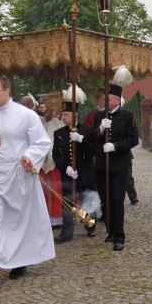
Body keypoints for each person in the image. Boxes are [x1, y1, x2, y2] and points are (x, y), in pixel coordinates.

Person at [0, 76, 54, 279]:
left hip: (18, 175)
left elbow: (41, 142)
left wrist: (29, 156)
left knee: (17, 220)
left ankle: (20, 262)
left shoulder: (26, 115)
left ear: (7, 91)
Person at [91, 67, 139, 251]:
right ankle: (110, 231)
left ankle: (119, 236)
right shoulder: (98, 116)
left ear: (117, 100)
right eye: (105, 99)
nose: (106, 102)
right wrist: (100, 130)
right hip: (102, 166)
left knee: (117, 201)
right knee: (105, 201)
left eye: (109, 100)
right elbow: (92, 138)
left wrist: (116, 146)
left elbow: (133, 139)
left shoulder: (127, 116)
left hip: (119, 166)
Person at [51, 87, 98, 243]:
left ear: (74, 114)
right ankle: (67, 233)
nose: (63, 118)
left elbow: (93, 150)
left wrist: (81, 139)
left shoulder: (87, 130)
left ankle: (89, 226)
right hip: (68, 175)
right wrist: (67, 168)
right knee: (68, 204)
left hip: (85, 173)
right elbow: (56, 156)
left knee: (86, 201)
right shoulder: (59, 134)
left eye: (65, 115)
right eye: (62, 115)